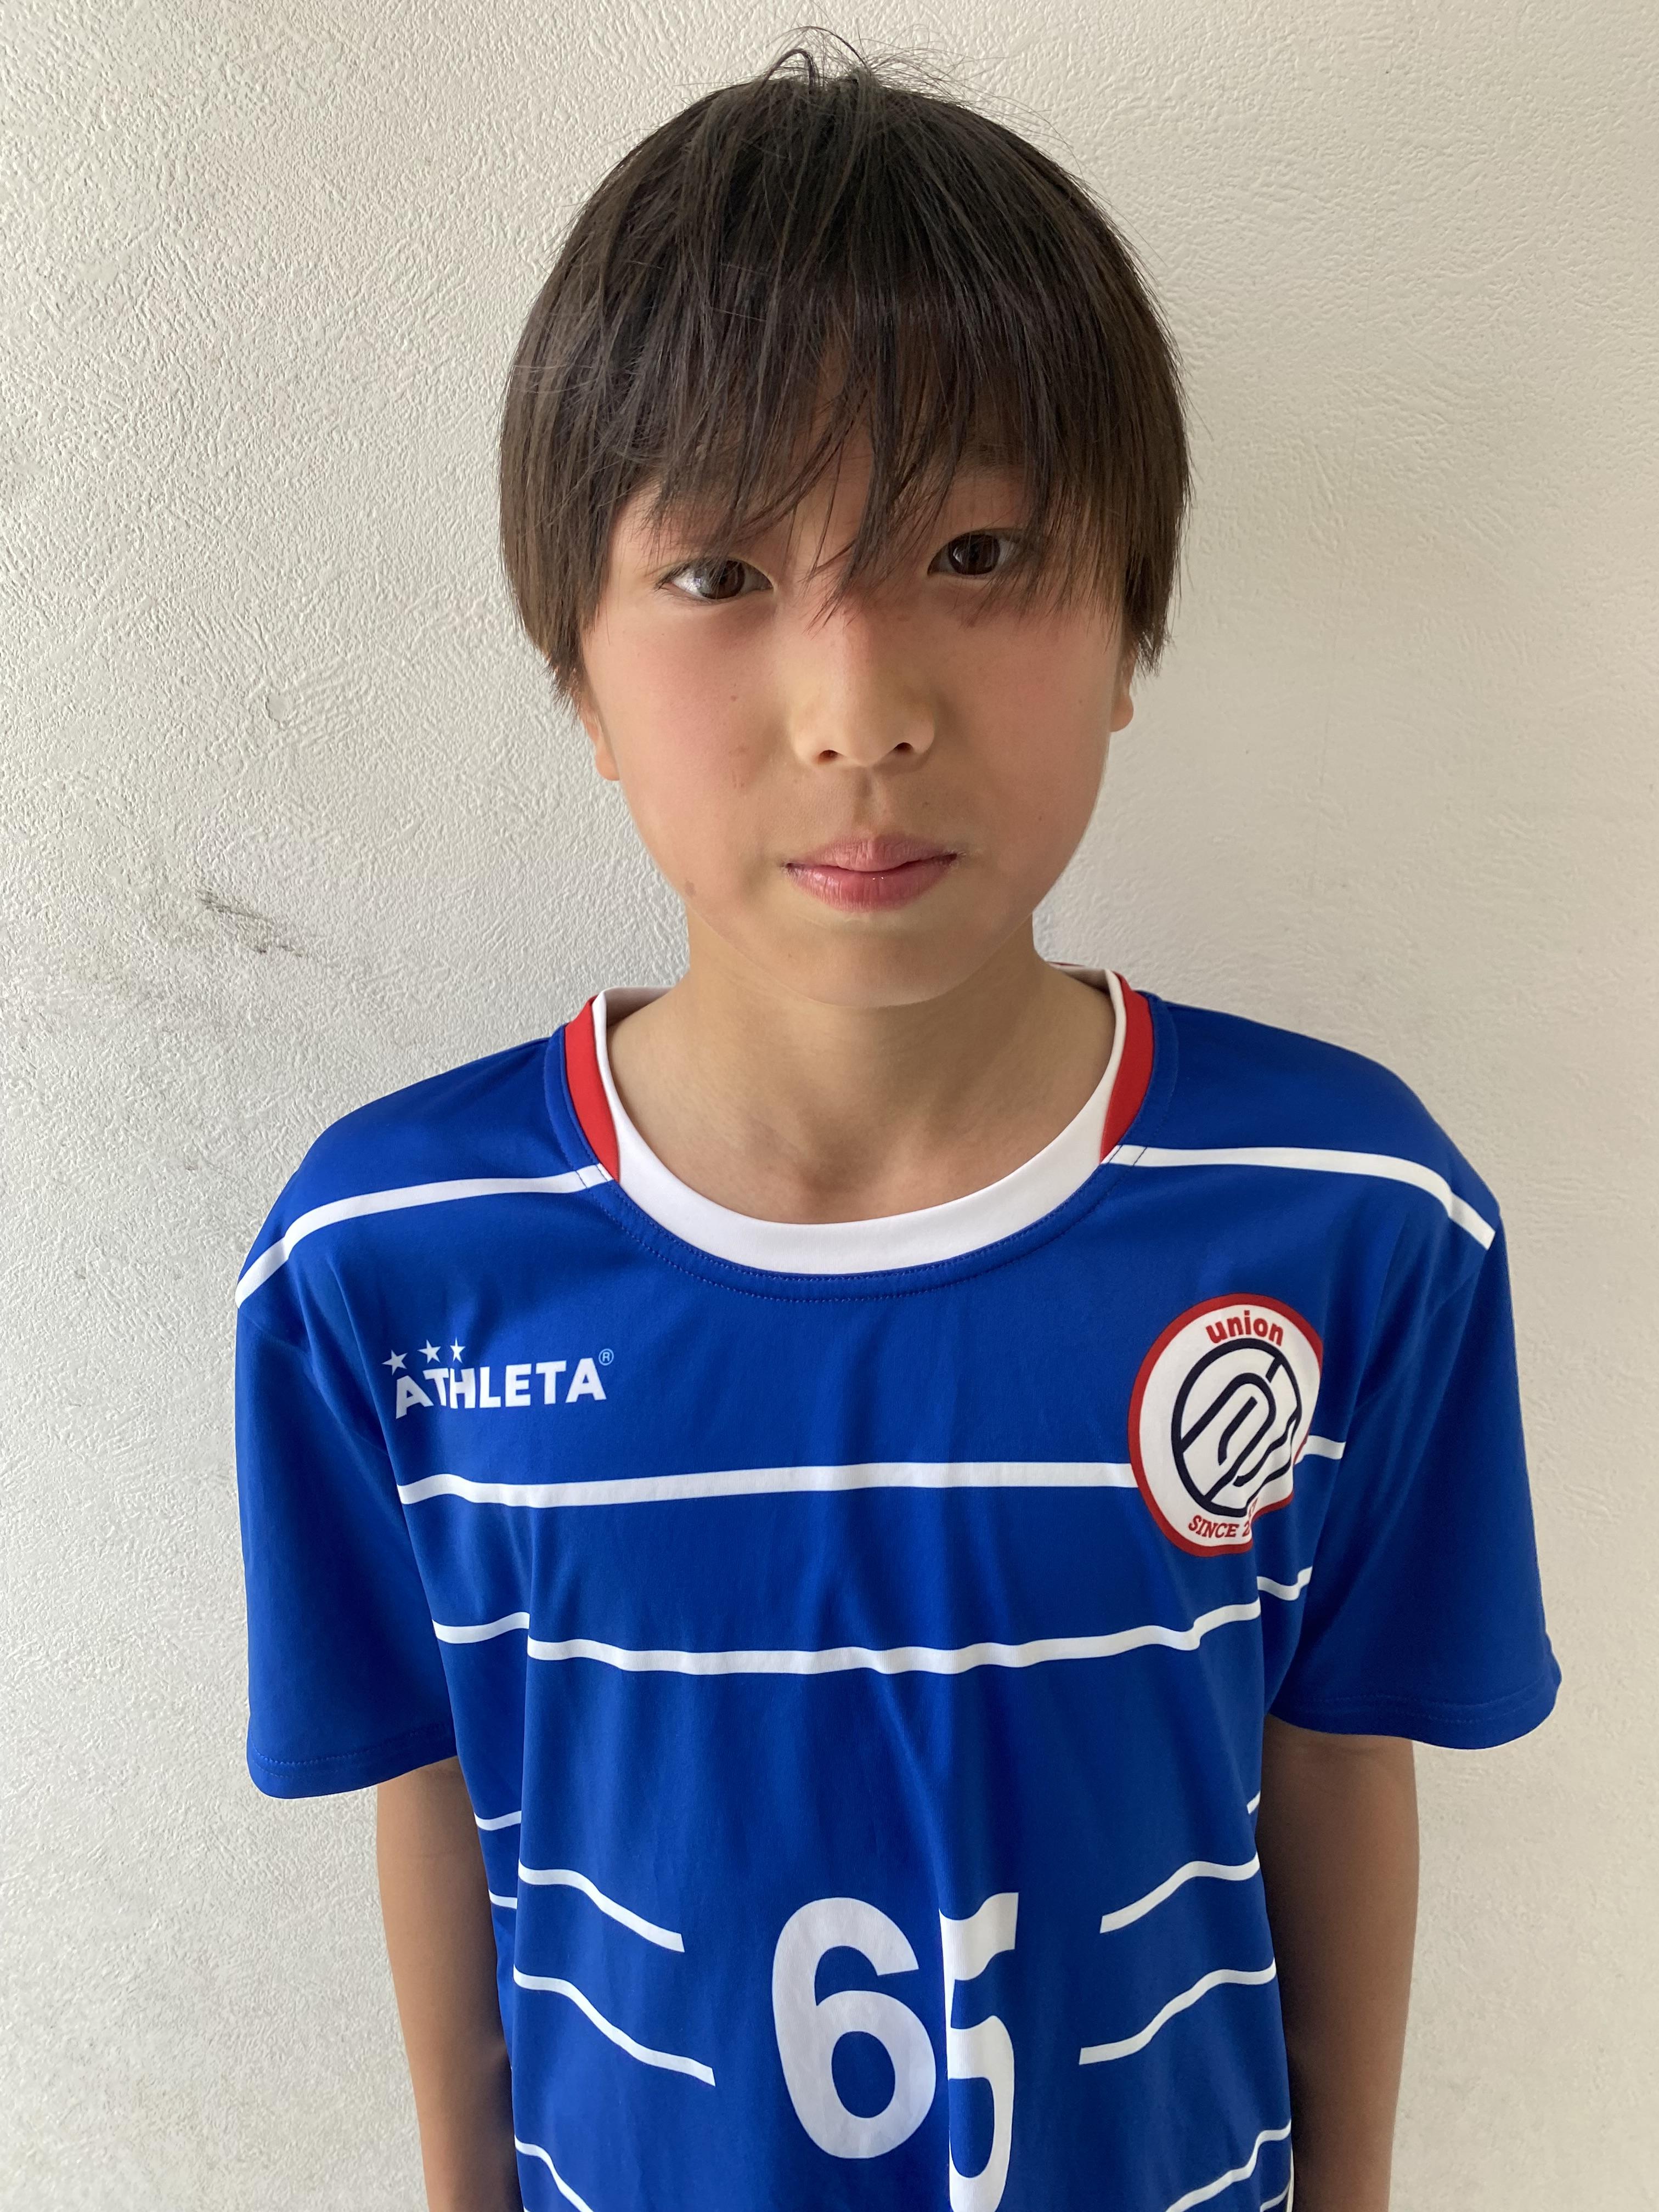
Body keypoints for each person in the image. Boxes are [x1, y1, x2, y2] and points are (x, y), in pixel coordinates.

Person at [233, 40, 1559, 2212]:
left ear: (1130, 626)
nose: (860, 710)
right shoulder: (384, 1265)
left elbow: (1339, 1774)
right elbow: (447, 1795)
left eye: (978, 549)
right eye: (719, 575)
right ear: (576, 663)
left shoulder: (1354, 1222)